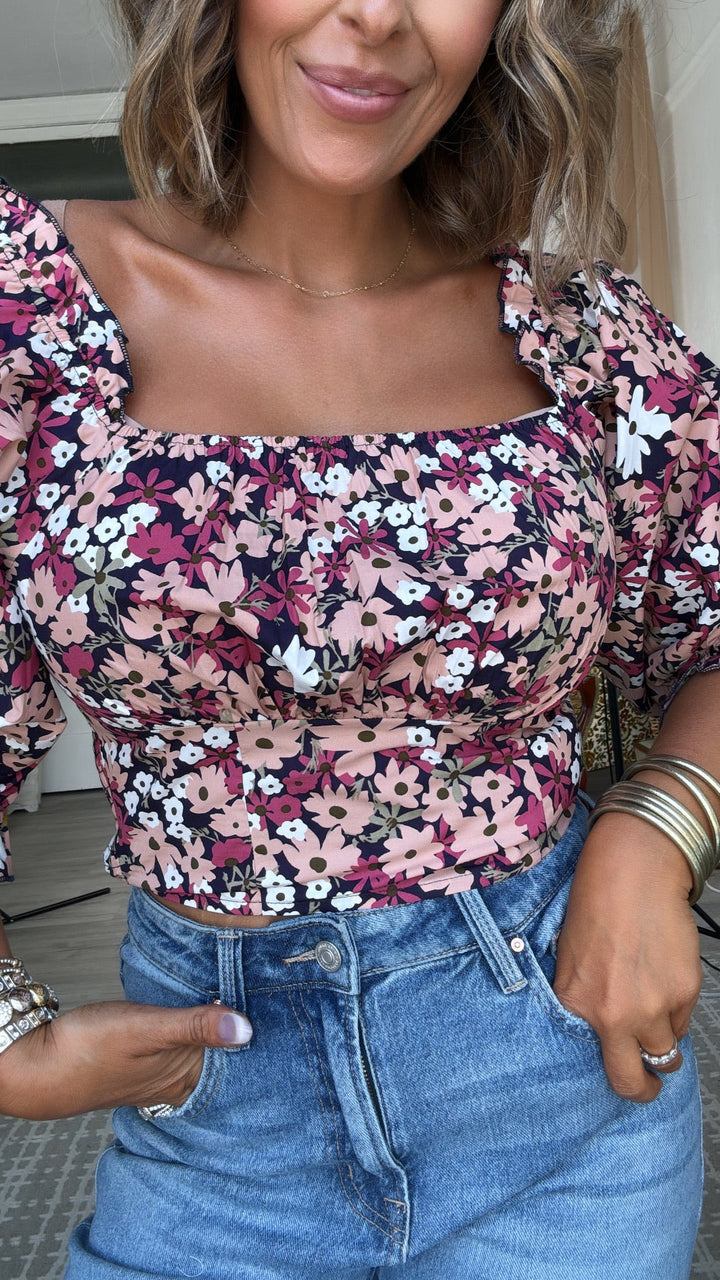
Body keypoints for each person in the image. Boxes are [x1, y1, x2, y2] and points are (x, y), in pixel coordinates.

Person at [0, 0, 718, 1275]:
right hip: (214, 1127)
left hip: (555, 1094)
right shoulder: (33, 308)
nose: (378, 14)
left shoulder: (586, 335)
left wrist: (654, 828)